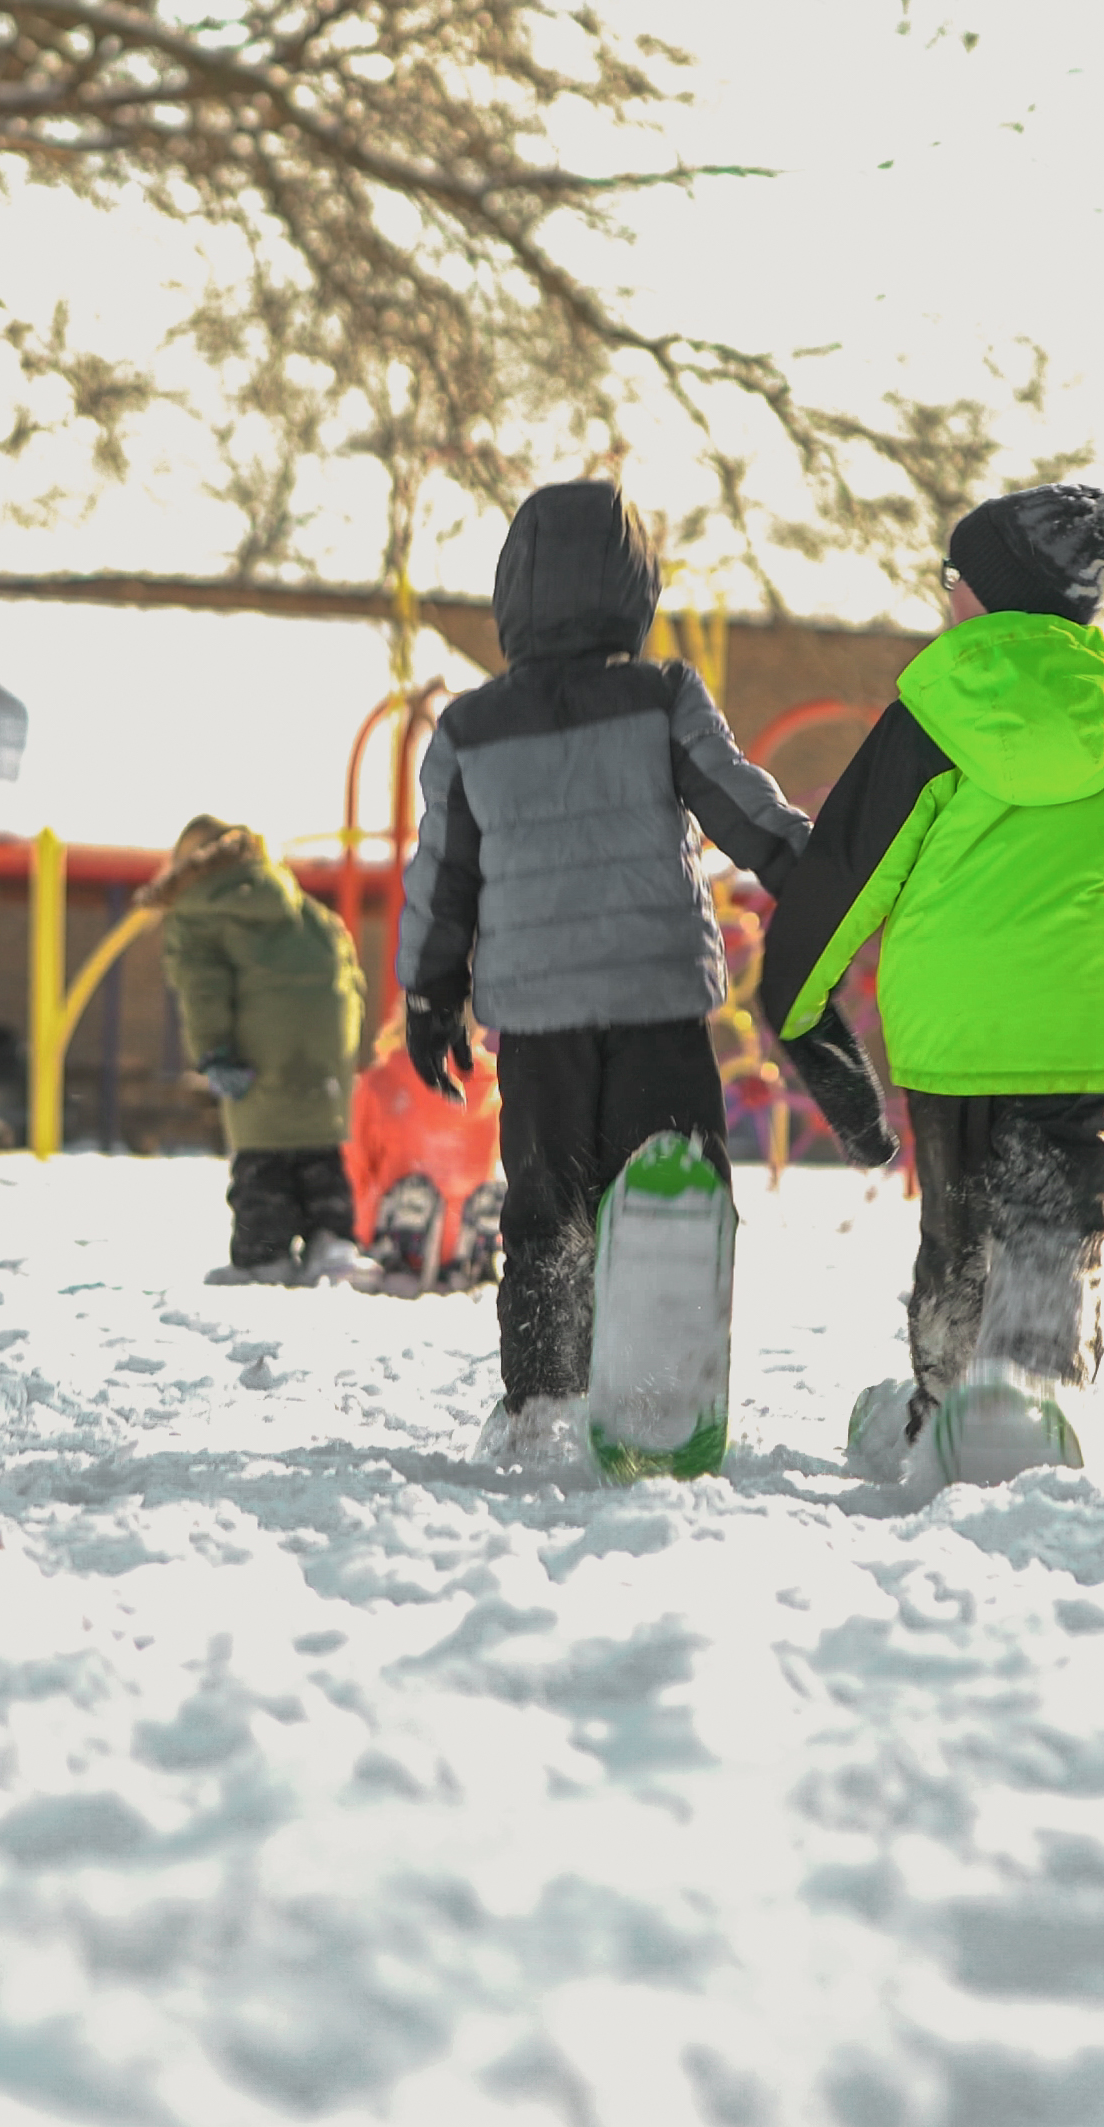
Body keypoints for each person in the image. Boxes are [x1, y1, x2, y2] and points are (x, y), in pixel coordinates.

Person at [756, 482, 1104, 1472]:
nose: (945, 595)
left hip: (952, 1030)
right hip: (1077, 1028)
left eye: (953, 578)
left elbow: (847, 877)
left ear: (987, 594)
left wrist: (796, 1006)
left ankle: (943, 1405)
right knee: (1057, 1225)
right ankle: (1041, 1391)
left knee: (962, 1232)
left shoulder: (933, 717)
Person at [394, 479, 812, 1453]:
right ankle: (661, 1394)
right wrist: (815, 869)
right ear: (635, 591)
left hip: (535, 1019)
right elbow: (739, 806)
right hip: (654, 999)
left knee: (546, 1207)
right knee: (669, 1191)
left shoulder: (469, 727)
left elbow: (441, 879)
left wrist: (429, 996)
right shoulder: (661, 696)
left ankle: (545, 1400)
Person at [151, 816, 370, 1285]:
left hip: (257, 1053)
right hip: (323, 1054)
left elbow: (201, 986)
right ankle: (332, 1242)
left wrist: (213, 1051)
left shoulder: (198, 908)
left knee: (262, 1158)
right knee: (318, 1153)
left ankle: (263, 1252)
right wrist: (339, 1053)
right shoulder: (294, 900)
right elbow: (345, 972)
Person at [345, 1010, 505, 1294]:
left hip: (396, 1246)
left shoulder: (380, 1081)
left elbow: (353, 1172)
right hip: (467, 1247)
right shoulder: (494, 1086)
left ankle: (400, 1248)